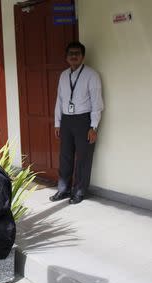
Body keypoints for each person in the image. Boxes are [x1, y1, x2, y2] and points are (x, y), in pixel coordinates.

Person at [50, 41, 104, 204]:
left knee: (83, 157)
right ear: (66, 57)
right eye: (70, 53)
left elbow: (97, 103)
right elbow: (59, 100)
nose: (74, 56)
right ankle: (63, 189)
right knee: (65, 156)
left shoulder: (91, 75)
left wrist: (93, 126)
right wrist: (57, 123)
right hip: (66, 120)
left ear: (83, 56)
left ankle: (79, 191)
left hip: (84, 120)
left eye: (77, 53)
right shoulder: (64, 75)